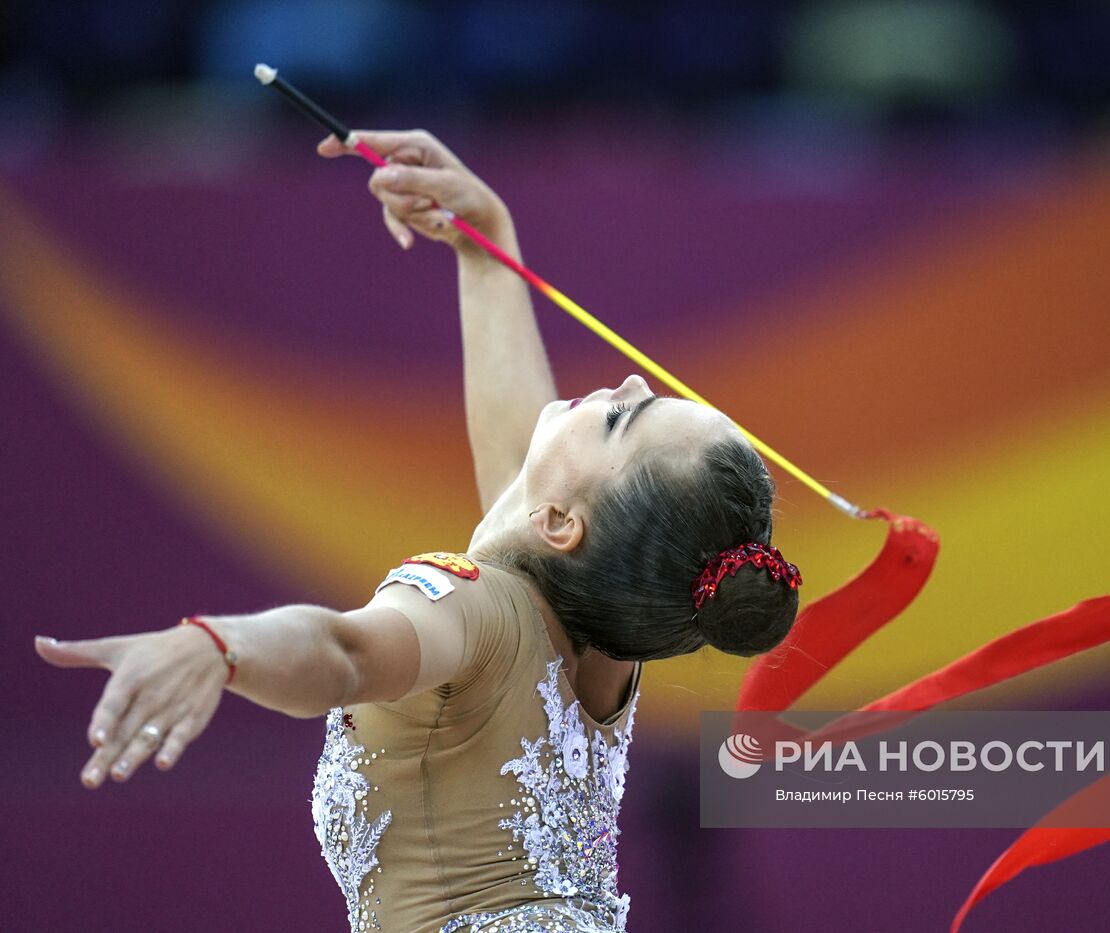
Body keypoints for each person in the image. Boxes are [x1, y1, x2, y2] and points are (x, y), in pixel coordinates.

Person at [33, 129, 803, 933]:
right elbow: (523, 484)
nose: (630, 377)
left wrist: (216, 644)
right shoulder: (613, 622)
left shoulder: (475, 606)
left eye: (623, 417)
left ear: (564, 523)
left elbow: (345, 651)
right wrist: (485, 245)